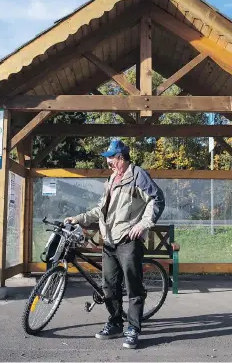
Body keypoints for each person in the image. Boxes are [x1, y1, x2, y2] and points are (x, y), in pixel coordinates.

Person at [64, 139, 165, 349]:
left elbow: (157, 199)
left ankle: (134, 329)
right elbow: (101, 209)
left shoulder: (137, 175)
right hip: (109, 241)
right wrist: (79, 218)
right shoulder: (111, 179)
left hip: (128, 240)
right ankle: (116, 322)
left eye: (110, 158)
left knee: (133, 286)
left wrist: (144, 224)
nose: (108, 162)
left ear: (120, 158)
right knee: (109, 286)